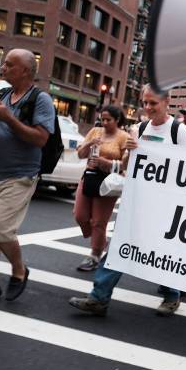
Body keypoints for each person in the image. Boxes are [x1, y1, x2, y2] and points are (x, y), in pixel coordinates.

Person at [68, 84, 186, 316]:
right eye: (145, 102)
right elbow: (126, 166)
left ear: (167, 102)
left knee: (161, 251)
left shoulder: (178, 131)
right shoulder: (140, 128)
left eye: (153, 103)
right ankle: (99, 297)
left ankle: (172, 294)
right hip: (138, 201)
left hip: (165, 204)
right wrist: (131, 153)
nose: (147, 107)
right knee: (119, 248)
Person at [0, 49, 55, 301]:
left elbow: (41, 139)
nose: (3, 67)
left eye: (9, 65)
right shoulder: (3, 94)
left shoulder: (40, 99)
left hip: (19, 175)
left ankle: (19, 270)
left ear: (24, 70)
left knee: (0, 228)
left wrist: (9, 119)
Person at [73, 106, 130, 271]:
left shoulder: (123, 137)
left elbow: (126, 164)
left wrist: (107, 163)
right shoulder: (95, 132)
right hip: (89, 177)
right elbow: (80, 154)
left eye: (108, 120)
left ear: (117, 120)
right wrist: (90, 143)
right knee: (80, 215)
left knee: (99, 221)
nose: (104, 123)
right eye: (102, 119)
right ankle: (100, 240)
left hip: (108, 183)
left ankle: (95, 255)